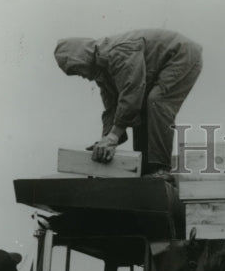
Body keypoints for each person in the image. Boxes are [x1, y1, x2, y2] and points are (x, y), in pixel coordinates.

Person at [53, 29, 203, 180]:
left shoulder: (117, 52)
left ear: (82, 57)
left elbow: (132, 91)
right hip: (164, 63)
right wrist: (105, 141)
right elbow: (112, 109)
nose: (83, 76)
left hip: (181, 54)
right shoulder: (103, 72)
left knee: (156, 101)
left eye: (78, 69)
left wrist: (113, 138)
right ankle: (145, 170)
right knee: (140, 108)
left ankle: (161, 169)